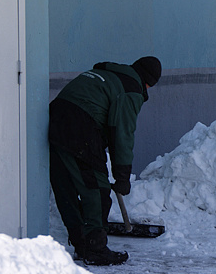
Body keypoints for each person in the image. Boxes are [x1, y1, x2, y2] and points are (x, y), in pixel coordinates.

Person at [48, 56, 162, 266]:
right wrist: (122, 177)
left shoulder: (110, 75)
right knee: (97, 189)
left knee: (66, 188)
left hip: (55, 116)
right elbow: (122, 134)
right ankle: (95, 249)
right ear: (147, 82)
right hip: (81, 124)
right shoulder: (131, 89)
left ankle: (82, 245)